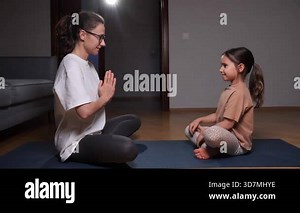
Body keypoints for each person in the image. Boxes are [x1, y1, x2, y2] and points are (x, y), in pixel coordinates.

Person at [53, 11, 141, 165]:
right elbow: (84, 112)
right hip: (75, 142)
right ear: (82, 35)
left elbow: (93, 106)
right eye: (100, 37)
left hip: (92, 131)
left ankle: (103, 143)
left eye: (103, 38)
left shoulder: (89, 66)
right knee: (128, 149)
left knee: (133, 120)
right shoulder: (70, 64)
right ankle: (104, 146)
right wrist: (105, 97)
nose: (103, 43)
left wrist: (103, 96)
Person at [185, 47, 264, 159]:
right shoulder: (229, 89)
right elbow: (218, 115)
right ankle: (208, 144)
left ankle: (212, 149)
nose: (220, 69)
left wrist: (205, 132)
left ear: (240, 67)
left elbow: (228, 124)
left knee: (211, 134)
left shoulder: (239, 93)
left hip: (238, 145)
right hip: (225, 136)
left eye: (225, 66)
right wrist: (199, 120)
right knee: (189, 129)